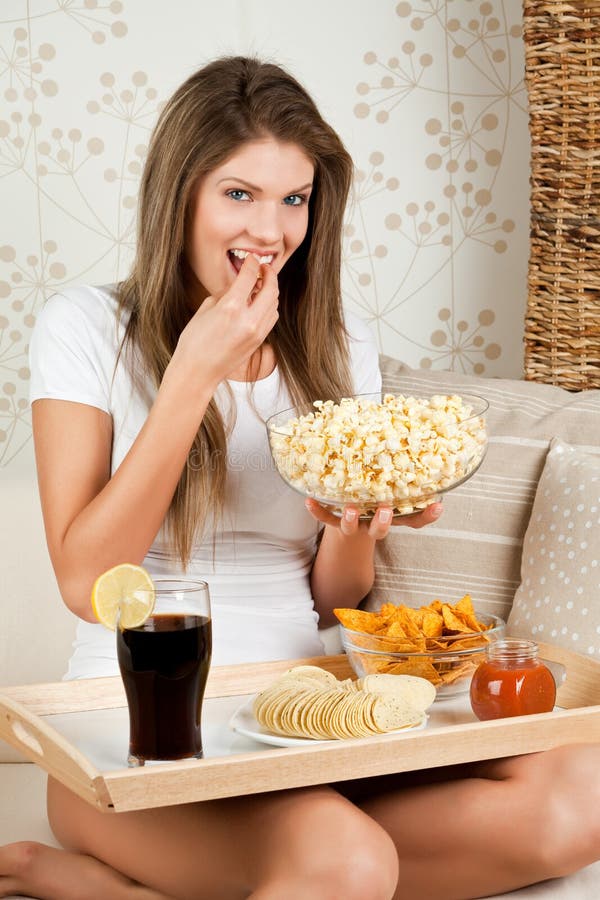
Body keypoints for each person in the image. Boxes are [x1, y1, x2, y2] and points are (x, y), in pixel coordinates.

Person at [1, 55, 599, 900]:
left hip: (307, 717)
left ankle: (115, 887)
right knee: (346, 862)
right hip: (138, 734)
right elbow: (86, 579)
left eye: (295, 199)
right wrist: (191, 381)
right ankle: (178, 864)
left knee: (578, 800)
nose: (272, 230)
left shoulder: (335, 339)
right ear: (180, 198)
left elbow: (330, 602)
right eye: (239, 195)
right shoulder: (88, 328)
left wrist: (358, 529)